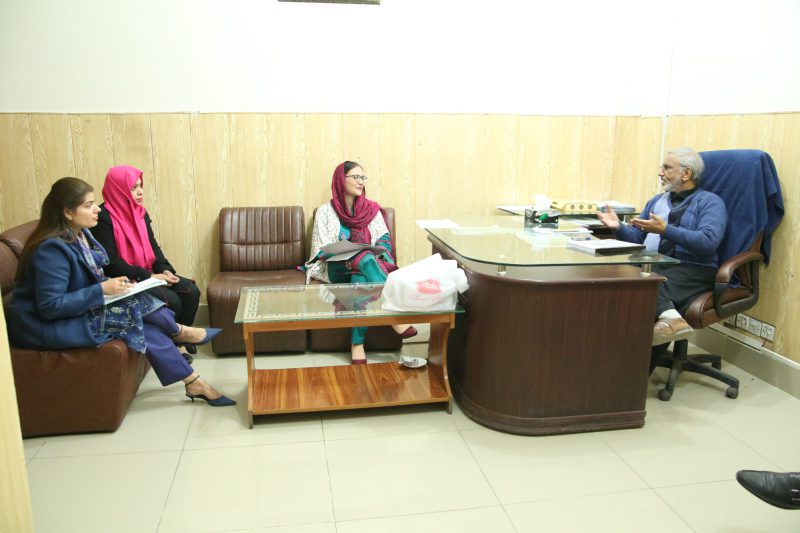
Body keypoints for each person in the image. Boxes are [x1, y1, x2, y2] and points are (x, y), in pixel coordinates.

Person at [6, 177, 234, 407]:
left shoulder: (80, 236)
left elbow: (83, 280)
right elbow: (50, 306)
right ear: (67, 212)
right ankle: (179, 333)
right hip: (45, 325)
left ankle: (193, 379)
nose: (97, 209)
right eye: (88, 205)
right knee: (133, 314)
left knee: (135, 301)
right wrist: (101, 289)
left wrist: (110, 285)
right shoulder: (51, 249)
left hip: (71, 313)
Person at [597, 147, 727, 363]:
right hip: (655, 265)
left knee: (645, 289)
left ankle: (634, 373)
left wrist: (666, 230)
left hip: (693, 269)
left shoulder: (710, 202)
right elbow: (637, 238)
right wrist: (618, 227)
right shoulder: (656, 201)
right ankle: (671, 319)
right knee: (614, 275)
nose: (660, 172)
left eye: (667, 168)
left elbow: (708, 242)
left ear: (686, 173)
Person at [305, 161, 417, 364]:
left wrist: (377, 251)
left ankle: (357, 345)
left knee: (360, 279)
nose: (361, 182)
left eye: (362, 177)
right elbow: (320, 249)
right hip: (335, 267)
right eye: (355, 177)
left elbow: (384, 240)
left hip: (365, 268)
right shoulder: (324, 212)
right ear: (341, 180)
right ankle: (394, 316)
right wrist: (346, 252)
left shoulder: (371, 210)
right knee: (364, 258)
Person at [93, 165, 201, 328]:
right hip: (124, 279)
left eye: (140, 186)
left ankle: (180, 338)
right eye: (133, 188)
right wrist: (149, 276)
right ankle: (171, 337)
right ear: (118, 190)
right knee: (172, 301)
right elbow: (110, 262)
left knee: (191, 291)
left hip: (148, 273)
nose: (140, 192)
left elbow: (152, 246)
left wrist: (165, 269)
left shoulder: (140, 212)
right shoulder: (102, 217)